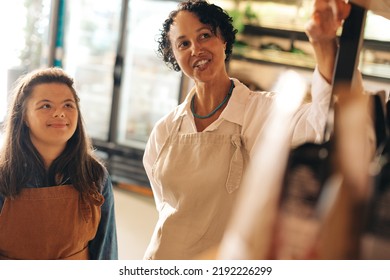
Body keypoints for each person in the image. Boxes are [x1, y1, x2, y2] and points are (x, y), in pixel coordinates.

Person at [142, 0, 352, 260]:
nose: (196, 49)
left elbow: (324, 124)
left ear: (223, 41)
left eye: (204, 35)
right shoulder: (164, 131)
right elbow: (165, 207)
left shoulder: (266, 113)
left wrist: (324, 44)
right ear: (174, 56)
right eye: (183, 44)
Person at [0, 67, 118, 260]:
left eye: (68, 105)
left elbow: (106, 252)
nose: (59, 113)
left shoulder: (94, 175)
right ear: (24, 117)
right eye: (46, 106)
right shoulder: (4, 175)